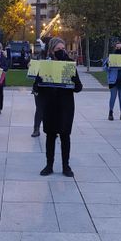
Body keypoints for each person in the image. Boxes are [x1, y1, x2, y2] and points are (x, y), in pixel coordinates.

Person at [35, 37, 83, 177]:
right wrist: (39, 82)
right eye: (58, 50)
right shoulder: (46, 64)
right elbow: (37, 86)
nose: (61, 52)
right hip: (50, 105)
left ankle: (66, 166)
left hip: (65, 105)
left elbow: (78, 88)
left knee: (65, 136)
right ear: (51, 50)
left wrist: (73, 79)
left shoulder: (69, 64)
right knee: (50, 136)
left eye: (63, 49)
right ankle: (49, 165)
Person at [104, 40, 121, 121]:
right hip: (113, 80)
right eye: (117, 47)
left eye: (120, 47)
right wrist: (108, 64)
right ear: (115, 48)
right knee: (113, 97)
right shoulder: (110, 58)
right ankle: (110, 113)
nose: (119, 49)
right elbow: (104, 68)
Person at [31, 37, 51, 137]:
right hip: (38, 86)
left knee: (49, 109)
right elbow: (32, 68)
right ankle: (36, 129)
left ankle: (50, 128)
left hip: (50, 86)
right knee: (39, 108)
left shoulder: (53, 57)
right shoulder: (37, 56)